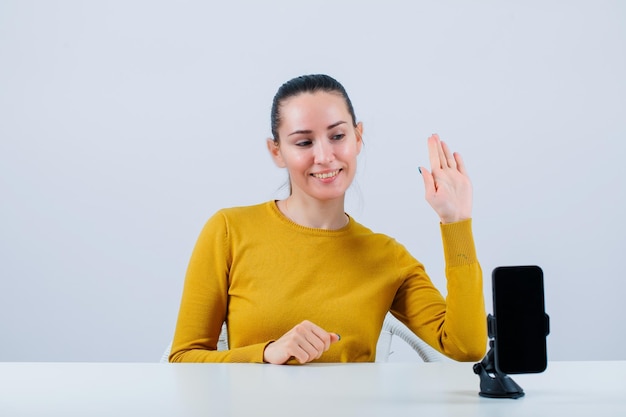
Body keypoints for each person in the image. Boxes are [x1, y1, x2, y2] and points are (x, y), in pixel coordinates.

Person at [169, 74, 487, 364]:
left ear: (358, 137)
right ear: (276, 151)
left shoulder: (387, 257)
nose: (324, 156)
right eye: (304, 142)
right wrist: (267, 353)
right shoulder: (228, 231)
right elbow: (183, 359)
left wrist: (456, 222)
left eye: (337, 136)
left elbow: (465, 346)